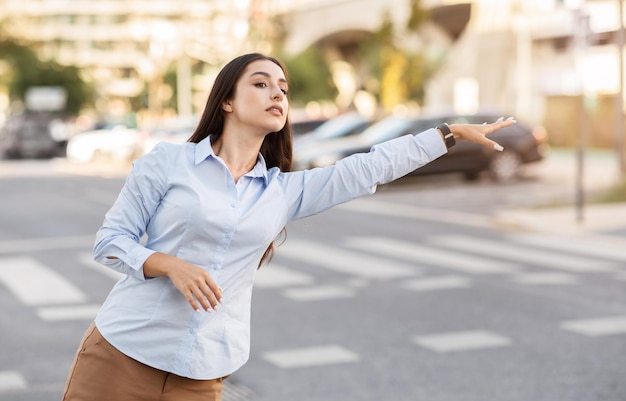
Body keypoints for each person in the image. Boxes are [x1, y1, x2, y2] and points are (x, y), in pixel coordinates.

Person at [61, 52, 515, 401]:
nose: (277, 93)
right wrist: (169, 265)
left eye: (283, 87)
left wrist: (448, 133)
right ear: (228, 101)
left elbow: (369, 167)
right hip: (122, 352)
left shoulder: (282, 193)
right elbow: (110, 243)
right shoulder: (168, 162)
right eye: (261, 84)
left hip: (201, 371)